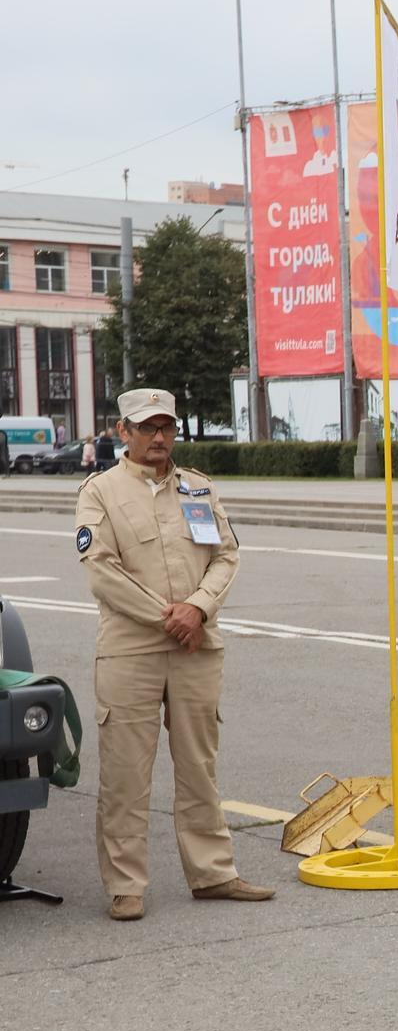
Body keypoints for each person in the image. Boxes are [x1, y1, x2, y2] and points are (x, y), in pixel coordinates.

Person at [73, 386, 273, 922]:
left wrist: (199, 609)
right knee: (124, 772)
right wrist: (172, 615)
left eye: (166, 426)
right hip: (131, 649)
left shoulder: (198, 489)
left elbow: (226, 557)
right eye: (146, 428)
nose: (158, 437)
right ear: (124, 432)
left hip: (196, 647)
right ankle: (125, 884)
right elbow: (103, 572)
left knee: (199, 766)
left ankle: (212, 873)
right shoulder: (101, 491)